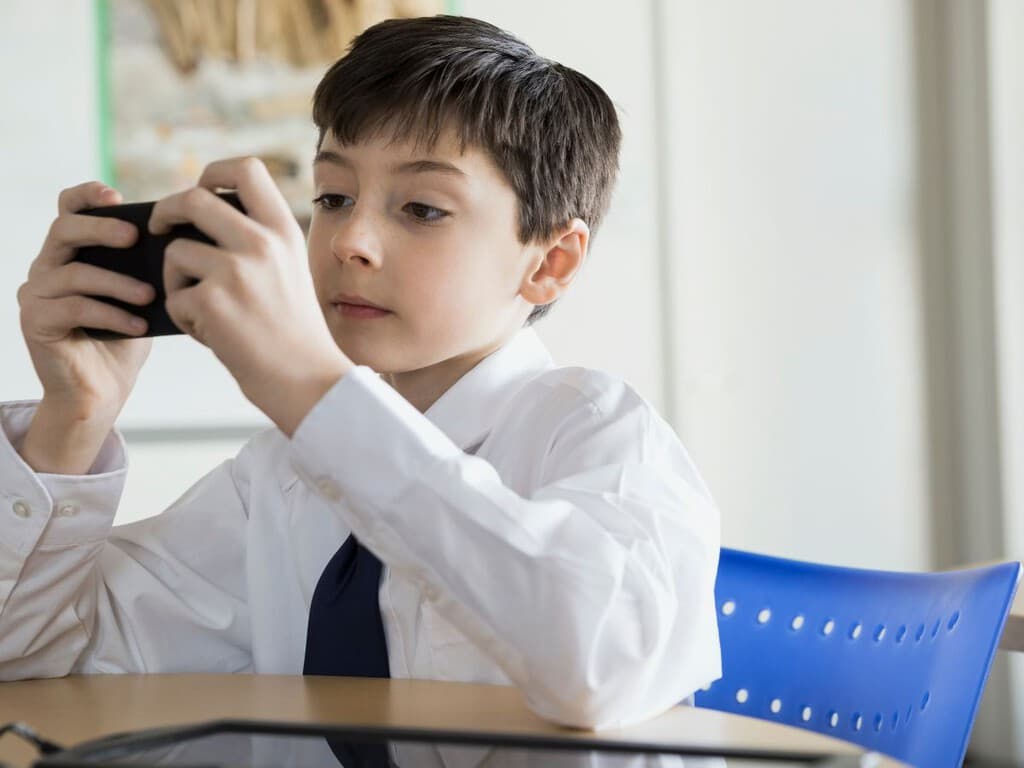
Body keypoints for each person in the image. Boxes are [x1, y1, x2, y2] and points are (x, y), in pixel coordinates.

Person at [0, 15, 721, 731]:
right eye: (332, 198)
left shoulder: (598, 434)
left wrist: (309, 389)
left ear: (549, 262)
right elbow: (45, 660)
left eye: (422, 208)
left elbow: (600, 665)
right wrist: (74, 418)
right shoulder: (279, 480)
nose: (350, 241)